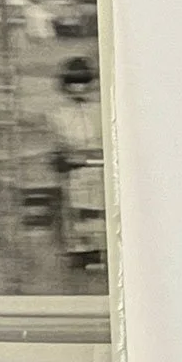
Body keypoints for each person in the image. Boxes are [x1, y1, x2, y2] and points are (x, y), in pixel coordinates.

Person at [49, 55, 107, 280]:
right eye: (73, 82)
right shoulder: (58, 115)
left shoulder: (101, 110)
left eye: (83, 81)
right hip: (75, 180)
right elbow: (60, 153)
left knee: (99, 225)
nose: (78, 87)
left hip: (99, 177)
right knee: (78, 227)